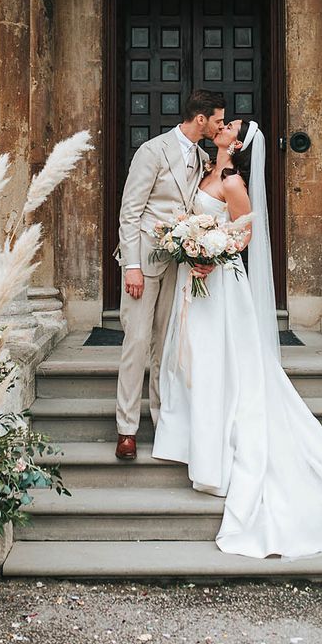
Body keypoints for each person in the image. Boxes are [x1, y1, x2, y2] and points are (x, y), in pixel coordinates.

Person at [152, 118, 322, 558]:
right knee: (195, 359)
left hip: (219, 283)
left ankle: (216, 452)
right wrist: (188, 243)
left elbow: (245, 235)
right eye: (221, 121)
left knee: (221, 362)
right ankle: (192, 437)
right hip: (197, 284)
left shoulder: (232, 181)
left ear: (235, 143)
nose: (221, 125)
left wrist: (208, 251)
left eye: (229, 125)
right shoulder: (204, 170)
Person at [114, 90, 225, 461]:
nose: (219, 126)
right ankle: (126, 429)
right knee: (137, 342)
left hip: (177, 261)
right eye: (217, 120)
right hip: (143, 262)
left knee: (166, 344)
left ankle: (162, 422)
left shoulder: (201, 155)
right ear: (200, 119)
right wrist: (131, 265)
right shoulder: (152, 151)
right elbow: (130, 212)